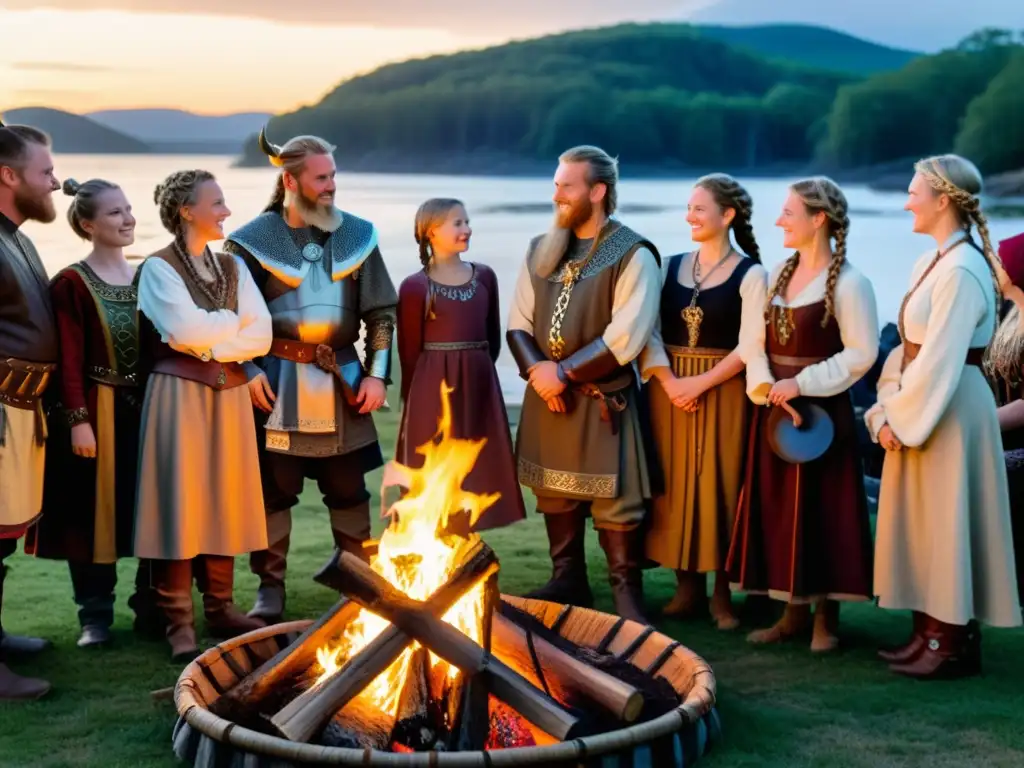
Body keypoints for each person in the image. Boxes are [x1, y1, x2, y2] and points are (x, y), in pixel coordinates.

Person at [223, 129, 398, 623]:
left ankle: (362, 585)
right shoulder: (251, 241)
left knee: (348, 492)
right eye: (322, 178)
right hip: (276, 381)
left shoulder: (358, 235)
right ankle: (269, 589)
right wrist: (248, 369)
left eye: (333, 175)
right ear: (290, 180)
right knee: (274, 492)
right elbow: (229, 317)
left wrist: (377, 376)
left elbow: (381, 314)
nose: (331, 185)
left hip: (343, 378)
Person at [866, 156, 1021, 679]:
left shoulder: (962, 269)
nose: (906, 201)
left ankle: (949, 642)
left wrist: (898, 421)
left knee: (947, 523)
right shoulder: (934, 261)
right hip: (927, 405)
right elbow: (910, 351)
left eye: (913, 193)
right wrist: (886, 407)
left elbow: (940, 360)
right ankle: (926, 632)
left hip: (950, 411)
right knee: (924, 525)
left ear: (943, 199)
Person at [507, 145, 662, 625]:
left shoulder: (633, 253)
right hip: (550, 397)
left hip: (603, 400)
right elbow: (518, 323)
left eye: (566, 186)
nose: (556, 194)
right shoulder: (541, 249)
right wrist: (541, 374)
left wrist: (564, 374)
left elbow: (626, 337)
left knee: (618, 501)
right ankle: (568, 578)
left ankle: (626, 594)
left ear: (597, 192)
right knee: (555, 493)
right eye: (556, 183)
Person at [727, 176, 878, 652]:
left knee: (823, 512)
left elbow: (861, 355)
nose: (779, 221)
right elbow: (752, 343)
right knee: (781, 511)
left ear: (819, 220)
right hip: (775, 411)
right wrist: (765, 386)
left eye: (789, 213)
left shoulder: (852, 283)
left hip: (823, 416)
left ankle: (824, 622)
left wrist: (803, 384)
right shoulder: (775, 275)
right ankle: (791, 615)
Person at [135, 169, 272, 661]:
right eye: (216, 203)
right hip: (178, 394)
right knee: (179, 501)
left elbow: (262, 337)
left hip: (230, 394)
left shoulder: (233, 265)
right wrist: (231, 326)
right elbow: (181, 327)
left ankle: (220, 607)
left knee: (224, 498)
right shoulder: (157, 268)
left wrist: (211, 336)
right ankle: (179, 622)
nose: (226, 212)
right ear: (186, 211)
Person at [28, 178, 160, 648]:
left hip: (148, 409)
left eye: (128, 209)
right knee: (93, 512)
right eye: (114, 213)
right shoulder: (71, 282)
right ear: (87, 224)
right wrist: (78, 419)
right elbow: (67, 355)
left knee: (152, 506)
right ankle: (95, 617)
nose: (128, 220)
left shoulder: (150, 275)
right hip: (96, 411)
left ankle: (154, 606)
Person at [639, 174, 767, 629]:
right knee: (672, 486)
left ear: (726, 215)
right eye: (688, 208)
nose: (690, 216)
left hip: (724, 392)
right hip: (667, 389)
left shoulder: (751, 274)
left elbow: (752, 344)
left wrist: (700, 384)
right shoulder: (667, 266)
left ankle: (721, 595)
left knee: (722, 485)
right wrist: (670, 381)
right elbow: (647, 331)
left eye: (699, 209)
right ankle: (686, 587)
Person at [396, 198, 526, 531]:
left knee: (476, 467)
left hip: (478, 384)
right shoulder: (415, 287)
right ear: (431, 232)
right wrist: (415, 404)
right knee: (435, 467)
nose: (467, 229)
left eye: (467, 222)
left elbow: (492, 338)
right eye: (457, 223)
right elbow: (409, 353)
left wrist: (477, 374)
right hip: (433, 391)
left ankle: (465, 541)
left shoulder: (484, 276)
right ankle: (432, 536)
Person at [0, 120, 59, 700]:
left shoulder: (16, 235)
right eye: (45, 173)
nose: (56, 182)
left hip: (21, 407)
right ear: (8, 175)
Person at [987, 232, 1024, 611]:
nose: (994, 266)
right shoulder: (1006, 314)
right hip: (998, 436)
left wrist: (982, 422)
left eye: (1000, 259)